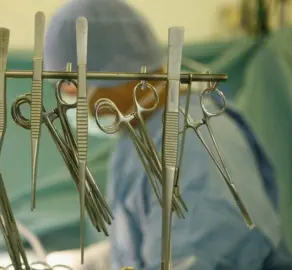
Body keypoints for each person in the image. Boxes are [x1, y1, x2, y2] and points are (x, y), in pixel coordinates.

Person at [43, 0, 292, 269]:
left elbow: (202, 256)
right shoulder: (139, 136)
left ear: (119, 72)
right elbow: (145, 243)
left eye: (73, 87)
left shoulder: (195, 142)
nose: (74, 103)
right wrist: (97, 261)